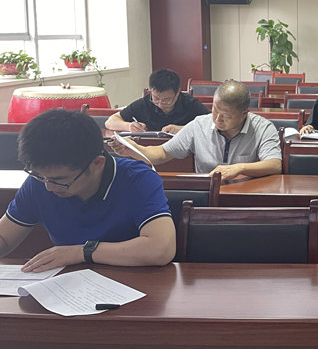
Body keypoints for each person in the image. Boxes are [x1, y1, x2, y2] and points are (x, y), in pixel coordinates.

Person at [0, 109, 175, 273]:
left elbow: (160, 249)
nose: (48, 187)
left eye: (60, 180)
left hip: (132, 281)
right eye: (41, 176)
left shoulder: (137, 179)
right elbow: (5, 238)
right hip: (66, 285)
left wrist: (81, 252)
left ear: (97, 164)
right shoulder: (40, 182)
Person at [113, 80, 281, 182]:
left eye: (226, 115)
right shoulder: (199, 124)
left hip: (246, 194)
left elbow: (274, 164)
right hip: (207, 194)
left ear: (244, 113)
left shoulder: (263, 127)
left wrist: (240, 168)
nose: (217, 119)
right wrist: (133, 149)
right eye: (215, 110)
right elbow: (162, 153)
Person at [105, 69, 209, 134]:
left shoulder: (190, 104)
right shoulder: (145, 103)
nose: (160, 104)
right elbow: (110, 122)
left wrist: (183, 129)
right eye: (156, 98)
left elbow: (211, 125)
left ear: (178, 92)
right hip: (149, 151)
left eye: (166, 100)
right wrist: (129, 126)